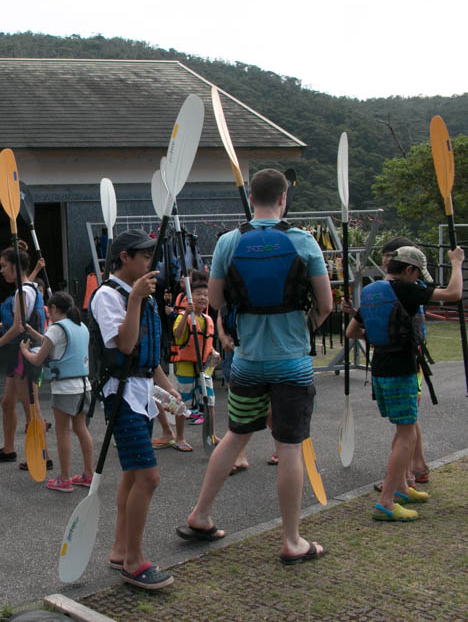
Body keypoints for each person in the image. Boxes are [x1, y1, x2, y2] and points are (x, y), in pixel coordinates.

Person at [177, 168, 333, 565]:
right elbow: (326, 304)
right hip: (292, 364)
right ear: (283, 198)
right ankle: (292, 540)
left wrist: (235, 327)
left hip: (246, 362)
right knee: (290, 446)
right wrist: (305, 327)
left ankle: (201, 515)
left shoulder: (228, 242)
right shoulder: (303, 241)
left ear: (251, 197)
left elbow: (215, 300)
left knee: (235, 436)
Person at [91, 229, 180, 590]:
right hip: (121, 396)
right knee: (148, 477)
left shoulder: (141, 295)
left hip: (142, 393)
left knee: (132, 475)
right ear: (124, 257)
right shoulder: (107, 296)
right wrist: (135, 300)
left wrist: (168, 389)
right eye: (143, 255)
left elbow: (149, 355)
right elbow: (126, 346)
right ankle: (134, 561)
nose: (150, 262)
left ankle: (120, 550)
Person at [347, 245, 463, 521]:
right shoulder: (405, 289)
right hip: (401, 369)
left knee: (403, 431)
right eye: (417, 274)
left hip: (380, 368)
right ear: (409, 270)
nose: (417, 280)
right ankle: (386, 502)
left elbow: (352, 331)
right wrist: (457, 262)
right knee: (407, 434)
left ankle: (400, 488)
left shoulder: (371, 290)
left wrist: (382, 334)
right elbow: (454, 294)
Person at [344, 237, 433, 491]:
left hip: (407, 361)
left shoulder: (405, 288)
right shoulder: (385, 290)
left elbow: (405, 322)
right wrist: (359, 315)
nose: (386, 260)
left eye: (391, 255)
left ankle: (404, 477)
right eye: (385, 255)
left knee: (407, 423)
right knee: (408, 421)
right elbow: (369, 326)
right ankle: (415, 469)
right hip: (397, 361)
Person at [20, 291, 94, 492]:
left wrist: (24, 350)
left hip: (64, 389)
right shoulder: (81, 326)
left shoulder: (56, 328)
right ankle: (89, 474)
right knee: (81, 428)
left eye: (48, 310)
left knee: (62, 432)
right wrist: (33, 333)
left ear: (53, 308)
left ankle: (65, 478)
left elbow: (38, 359)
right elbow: (55, 344)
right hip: (84, 385)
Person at [0, 244, 48, 465]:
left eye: (4, 266)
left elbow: (18, 327)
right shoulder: (27, 289)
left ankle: (43, 456)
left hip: (24, 353)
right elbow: (16, 321)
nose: (1, 270)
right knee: (7, 403)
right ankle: (9, 449)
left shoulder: (24, 291)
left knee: (31, 408)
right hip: (18, 353)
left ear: (15, 266)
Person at [168, 269, 220, 454]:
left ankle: (211, 434)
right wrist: (186, 315)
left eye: (206, 294)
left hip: (204, 367)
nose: (203, 297)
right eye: (198, 294)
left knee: (210, 401)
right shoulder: (184, 317)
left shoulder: (208, 319)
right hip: (186, 366)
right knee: (183, 403)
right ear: (191, 297)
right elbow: (178, 335)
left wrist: (213, 352)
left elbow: (207, 342)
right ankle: (180, 437)